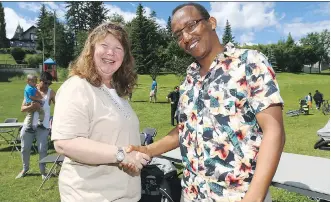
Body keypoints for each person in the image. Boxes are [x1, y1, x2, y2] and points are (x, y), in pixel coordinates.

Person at [125, 3, 285, 202]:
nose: (186, 37)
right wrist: (148, 149)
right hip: (191, 194)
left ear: (211, 23)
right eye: (178, 34)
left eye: (191, 25)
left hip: (238, 195)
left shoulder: (249, 62)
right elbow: (185, 129)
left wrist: (254, 196)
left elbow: (274, 131)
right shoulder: (189, 80)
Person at [51, 22, 150, 202]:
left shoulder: (117, 93)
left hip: (125, 195)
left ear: (124, 56)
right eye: (104, 45)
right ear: (91, 50)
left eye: (118, 48)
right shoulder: (77, 86)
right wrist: (121, 154)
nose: (110, 53)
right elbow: (65, 143)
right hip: (90, 196)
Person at [16, 71, 56, 180]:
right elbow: (22, 108)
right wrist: (32, 107)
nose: (47, 86)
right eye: (46, 83)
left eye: (49, 83)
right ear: (40, 81)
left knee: (43, 149)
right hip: (28, 125)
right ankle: (25, 169)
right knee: (25, 148)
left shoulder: (51, 93)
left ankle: (43, 172)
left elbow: (59, 107)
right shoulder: (31, 90)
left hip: (43, 127)